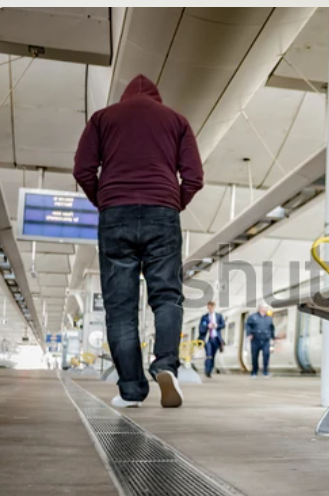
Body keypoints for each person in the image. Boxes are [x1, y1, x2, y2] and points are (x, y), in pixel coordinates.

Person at [74, 74, 203, 409]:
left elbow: (83, 170)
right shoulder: (177, 121)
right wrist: (174, 203)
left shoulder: (103, 118)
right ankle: (165, 365)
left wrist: (104, 200)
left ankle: (131, 390)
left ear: (124, 96)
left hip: (115, 214)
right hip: (163, 214)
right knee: (167, 298)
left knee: (120, 308)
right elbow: (194, 176)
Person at [245, 304, 275, 377]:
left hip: (266, 340)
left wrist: (273, 337)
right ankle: (254, 371)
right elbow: (247, 325)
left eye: (266, 308)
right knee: (254, 356)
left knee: (266, 355)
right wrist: (249, 334)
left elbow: (272, 328)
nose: (266, 309)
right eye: (265, 308)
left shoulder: (269, 318)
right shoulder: (252, 317)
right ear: (260, 308)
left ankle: (265, 371)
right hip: (255, 339)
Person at [199, 301, 226, 379]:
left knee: (213, 356)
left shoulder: (219, 316)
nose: (210, 308)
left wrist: (216, 325)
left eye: (211, 307)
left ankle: (209, 370)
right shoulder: (204, 317)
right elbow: (200, 329)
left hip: (216, 339)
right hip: (208, 339)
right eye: (209, 307)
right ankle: (207, 371)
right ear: (207, 307)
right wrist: (207, 326)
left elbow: (223, 325)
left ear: (214, 307)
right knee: (209, 355)